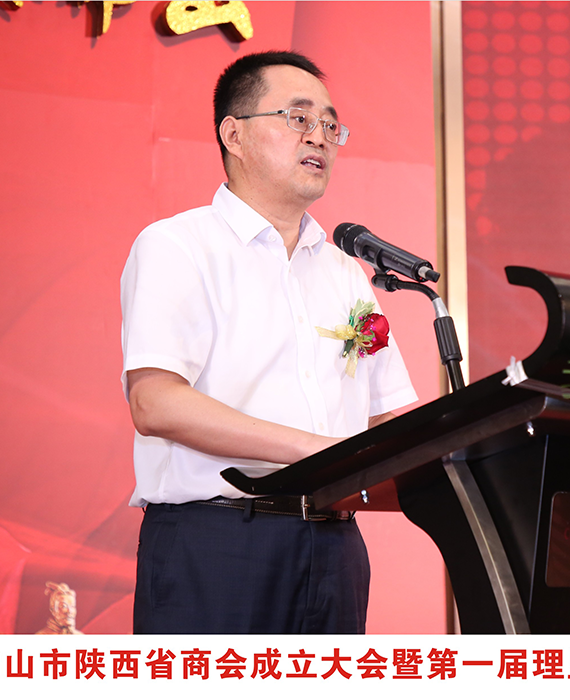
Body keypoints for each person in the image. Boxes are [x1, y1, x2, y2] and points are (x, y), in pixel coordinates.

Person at [118, 51, 417, 634]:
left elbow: (386, 416)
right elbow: (155, 403)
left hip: (335, 547)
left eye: (331, 125)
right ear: (234, 134)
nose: (320, 137)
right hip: (217, 545)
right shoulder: (178, 246)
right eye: (299, 118)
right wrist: (320, 453)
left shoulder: (344, 271)